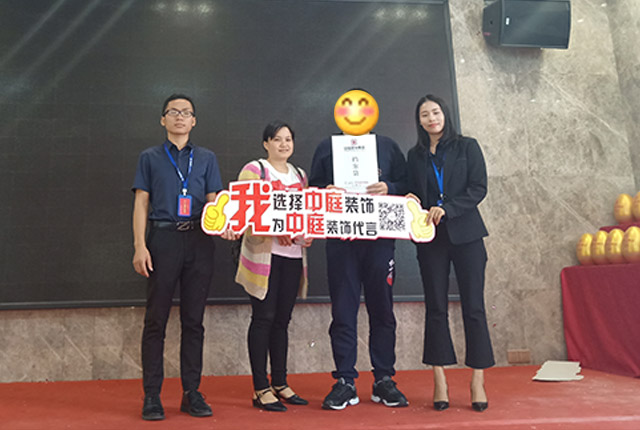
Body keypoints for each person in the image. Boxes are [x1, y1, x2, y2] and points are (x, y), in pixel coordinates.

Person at [309, 94, 409, 410]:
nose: (354, 114)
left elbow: (407, 185)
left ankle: (384, 379)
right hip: (341, 241)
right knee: (342, 311)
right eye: (348, 109)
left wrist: (389, 187)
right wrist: (325, 192)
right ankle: (345, 381)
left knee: (383, 310)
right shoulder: (327, 147)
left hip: (380, 239)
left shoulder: (388, 146)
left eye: (360, 108)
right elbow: (312, 190)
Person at [132, 94, 222, 421]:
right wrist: (139, 245)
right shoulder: (149, 157)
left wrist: (225, 224)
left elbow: (215, 202)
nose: (180, 117)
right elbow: (141, 203)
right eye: (173, 112)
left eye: (186, 113)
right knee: (156, 320)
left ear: (194, 121)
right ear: (163, 119)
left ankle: (191, 393)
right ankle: (152, 396)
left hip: (199, 240)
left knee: (193, 320)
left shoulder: (207, 158)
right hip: (163, 239)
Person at [406, 94, 494, 412]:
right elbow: (409, 191)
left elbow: (478, 188)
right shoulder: (414, 155)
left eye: (436, 112)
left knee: (474, 307)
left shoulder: (467, 146)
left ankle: (477, 380)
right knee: (435, 308)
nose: (431, 118)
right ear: (419, 121)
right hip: (431, 240)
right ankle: (439, 379)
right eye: (425, 114)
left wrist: (449, 208)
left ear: (445, 115)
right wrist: (407, 197)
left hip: (467, 235)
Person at [223, 121, 312, 412]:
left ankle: (280, 382)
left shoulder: (300, 175)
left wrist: (306, 233)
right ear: (266, 143)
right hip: (264, 257)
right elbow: (244, 212)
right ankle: (260, 387)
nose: (283, 145)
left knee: (282, 320)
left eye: (288, 139)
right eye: (277, 139)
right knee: (263, 318)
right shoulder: (255, 170)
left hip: (293, 256)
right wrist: (277, 229)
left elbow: (305, 213)